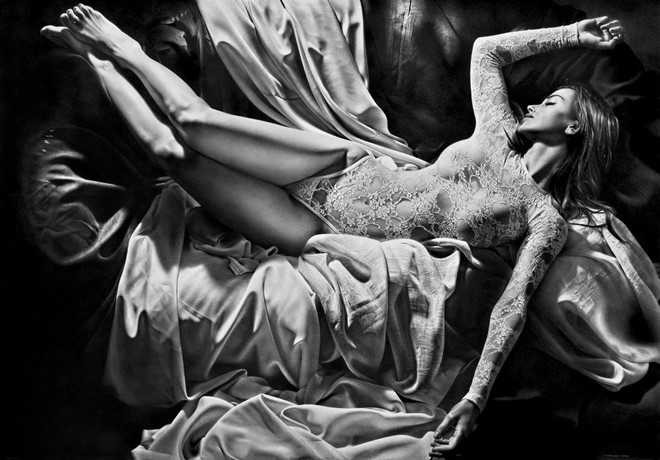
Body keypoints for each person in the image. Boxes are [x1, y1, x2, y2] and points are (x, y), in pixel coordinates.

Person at [40, 3, 625, 455]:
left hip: (315, 231)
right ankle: (121, 46)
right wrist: (575, 35)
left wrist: (475, 397)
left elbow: (512, 307)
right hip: (340, 168)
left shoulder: (542, 218)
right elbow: (487, 51)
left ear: (574, 127)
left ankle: (95, 61)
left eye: (551, 101)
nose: (533, 104)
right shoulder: (496, 130)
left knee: (170, 153)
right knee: (193, 122)